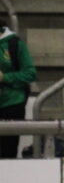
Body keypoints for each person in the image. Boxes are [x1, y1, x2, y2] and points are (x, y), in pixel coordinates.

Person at [0, 24, 36, 159]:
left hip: (11, 104)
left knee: (7, 153)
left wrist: (5, 77)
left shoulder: (15, 44)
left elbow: (30, 73)